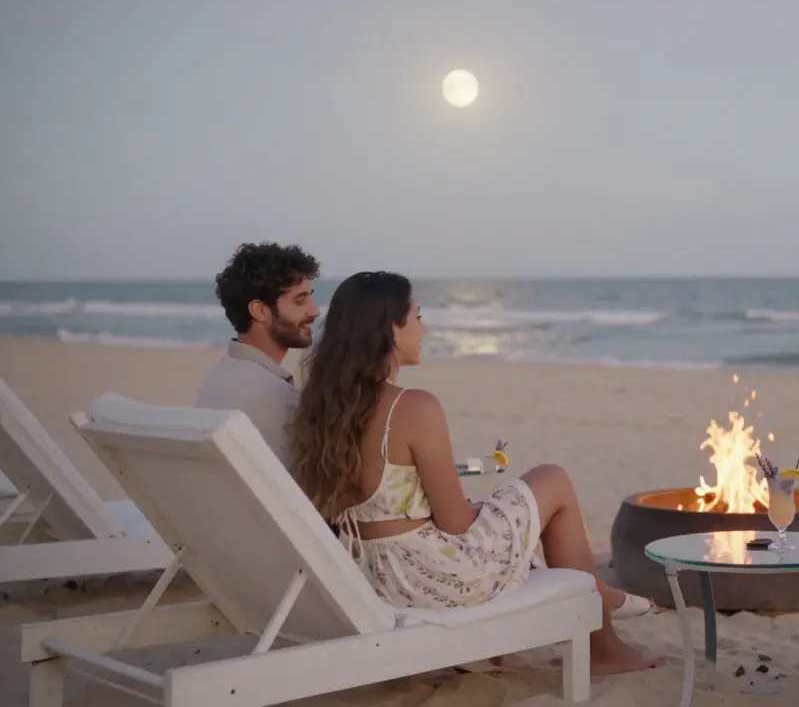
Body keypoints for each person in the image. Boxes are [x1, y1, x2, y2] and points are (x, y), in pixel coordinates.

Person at [289, 271, 662, 676]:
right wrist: (483, 509)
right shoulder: (413, 407)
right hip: (434, 578)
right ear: (391, 330)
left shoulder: (321, 410)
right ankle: (602, 639)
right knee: (552, 479)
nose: (425, 327)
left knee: (511, 506)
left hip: (375, 576)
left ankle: (595, 592)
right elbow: (454, 524)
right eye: (417, 316)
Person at [194, 242, 322, 464]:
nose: (315, 310)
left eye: (310, 296)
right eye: (300, 300)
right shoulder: (275, 395)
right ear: (260, 310)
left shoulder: (219, 373)